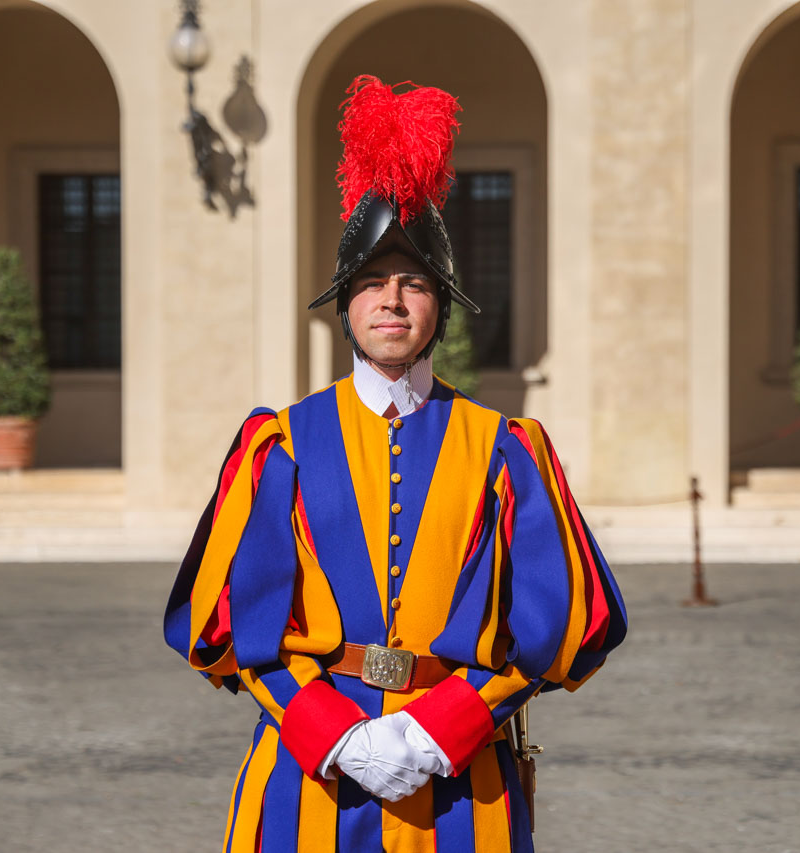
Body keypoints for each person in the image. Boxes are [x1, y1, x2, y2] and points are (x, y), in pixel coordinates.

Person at [164, 75, 626, 853]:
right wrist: (334, 733)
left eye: (413, 284)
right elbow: (239, 623)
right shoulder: (280, 445)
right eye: (371, 283)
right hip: (311, 775)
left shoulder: (506, 448)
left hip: (463, 778)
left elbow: (556, 623)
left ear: (439, 307)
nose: (392, 300)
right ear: (345, 304)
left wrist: (448, 725)